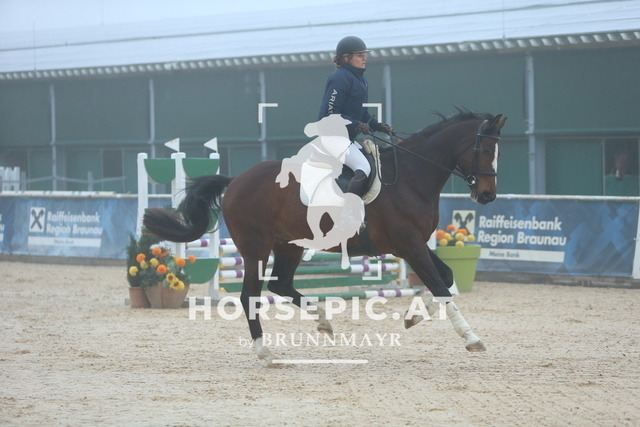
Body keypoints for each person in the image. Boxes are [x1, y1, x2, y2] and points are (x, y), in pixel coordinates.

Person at [317, 36, 394, 197]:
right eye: (360, 55)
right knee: (364, 168)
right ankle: (348, 208)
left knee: (374, 161)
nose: (364, 58)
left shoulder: (361, 80)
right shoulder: (339, 78)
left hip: (347, 139)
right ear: (346, 58)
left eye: (364, 55)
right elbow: (330, 114)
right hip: (332, 137)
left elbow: (362, 114)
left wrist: (378, 126)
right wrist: (356, 124)